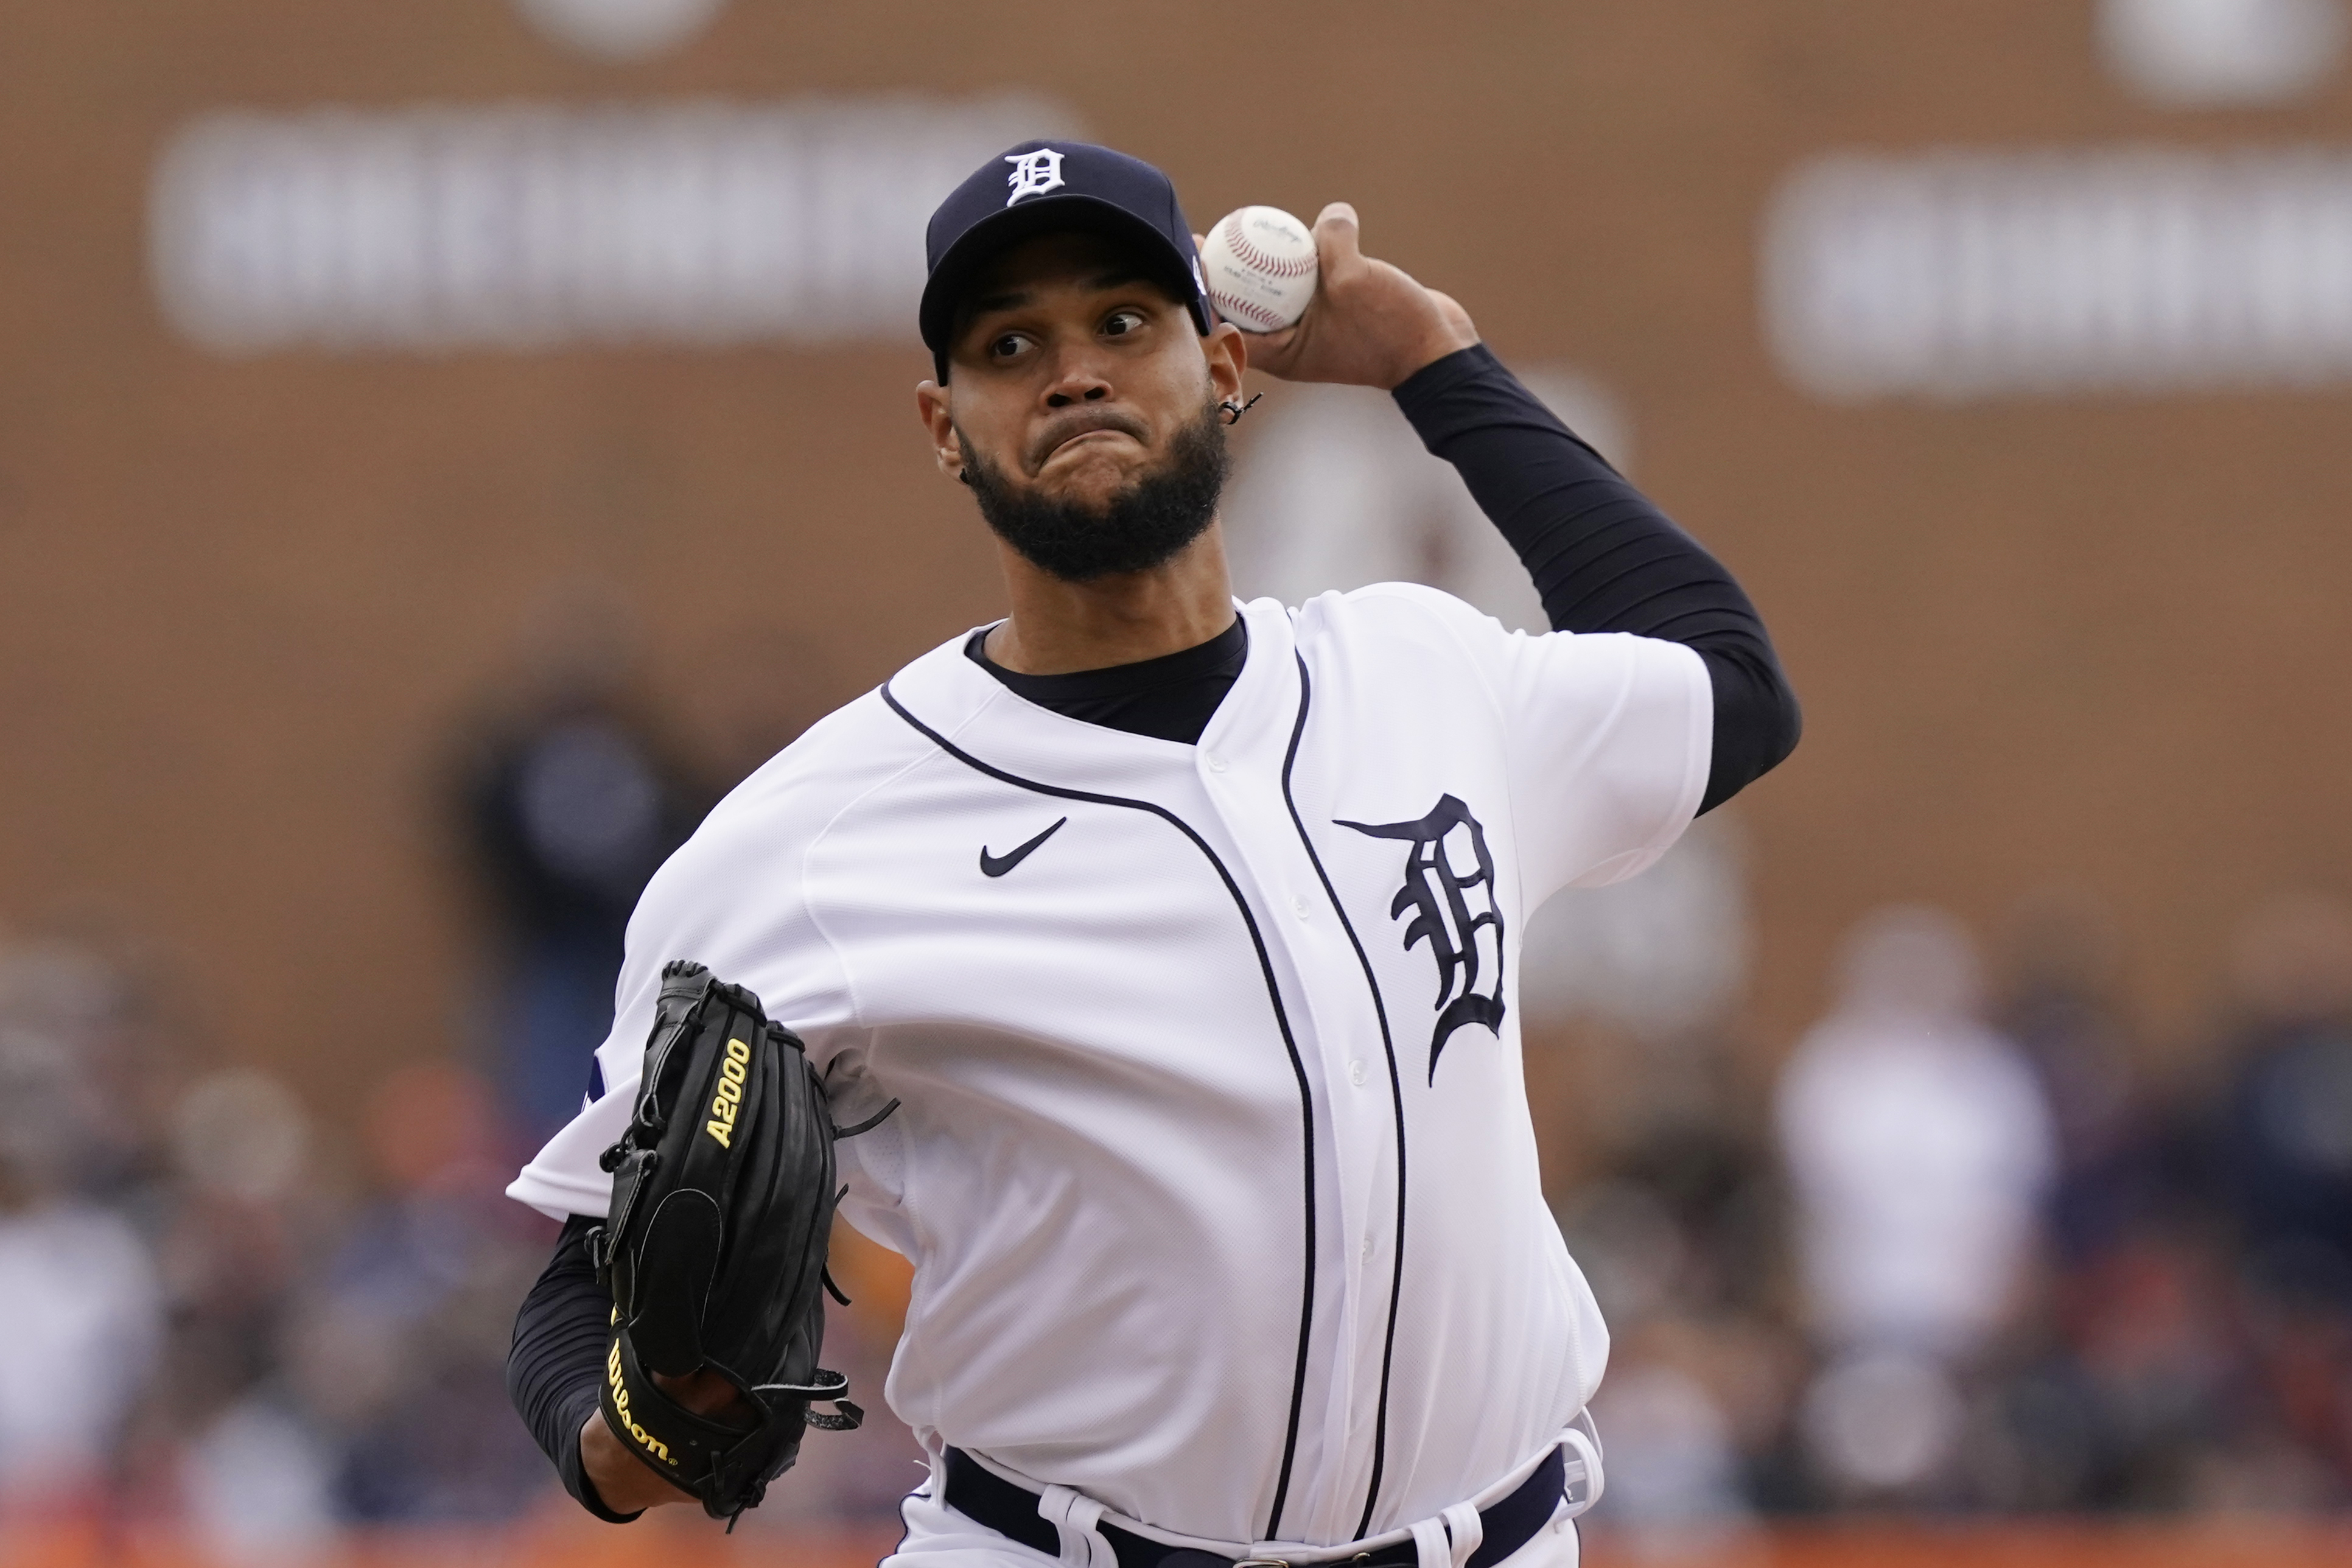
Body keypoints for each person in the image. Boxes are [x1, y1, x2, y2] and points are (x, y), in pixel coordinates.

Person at [505, 141, 1799, 1567]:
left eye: (1125, 321)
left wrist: (1440, 364)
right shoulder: (810, 838)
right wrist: (617, 1438)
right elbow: (579, 1284)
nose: (1075, 371)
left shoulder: (1420, 675)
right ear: (945, 425)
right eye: (1012, 345)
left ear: (1224, 365)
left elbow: (1730, 685)